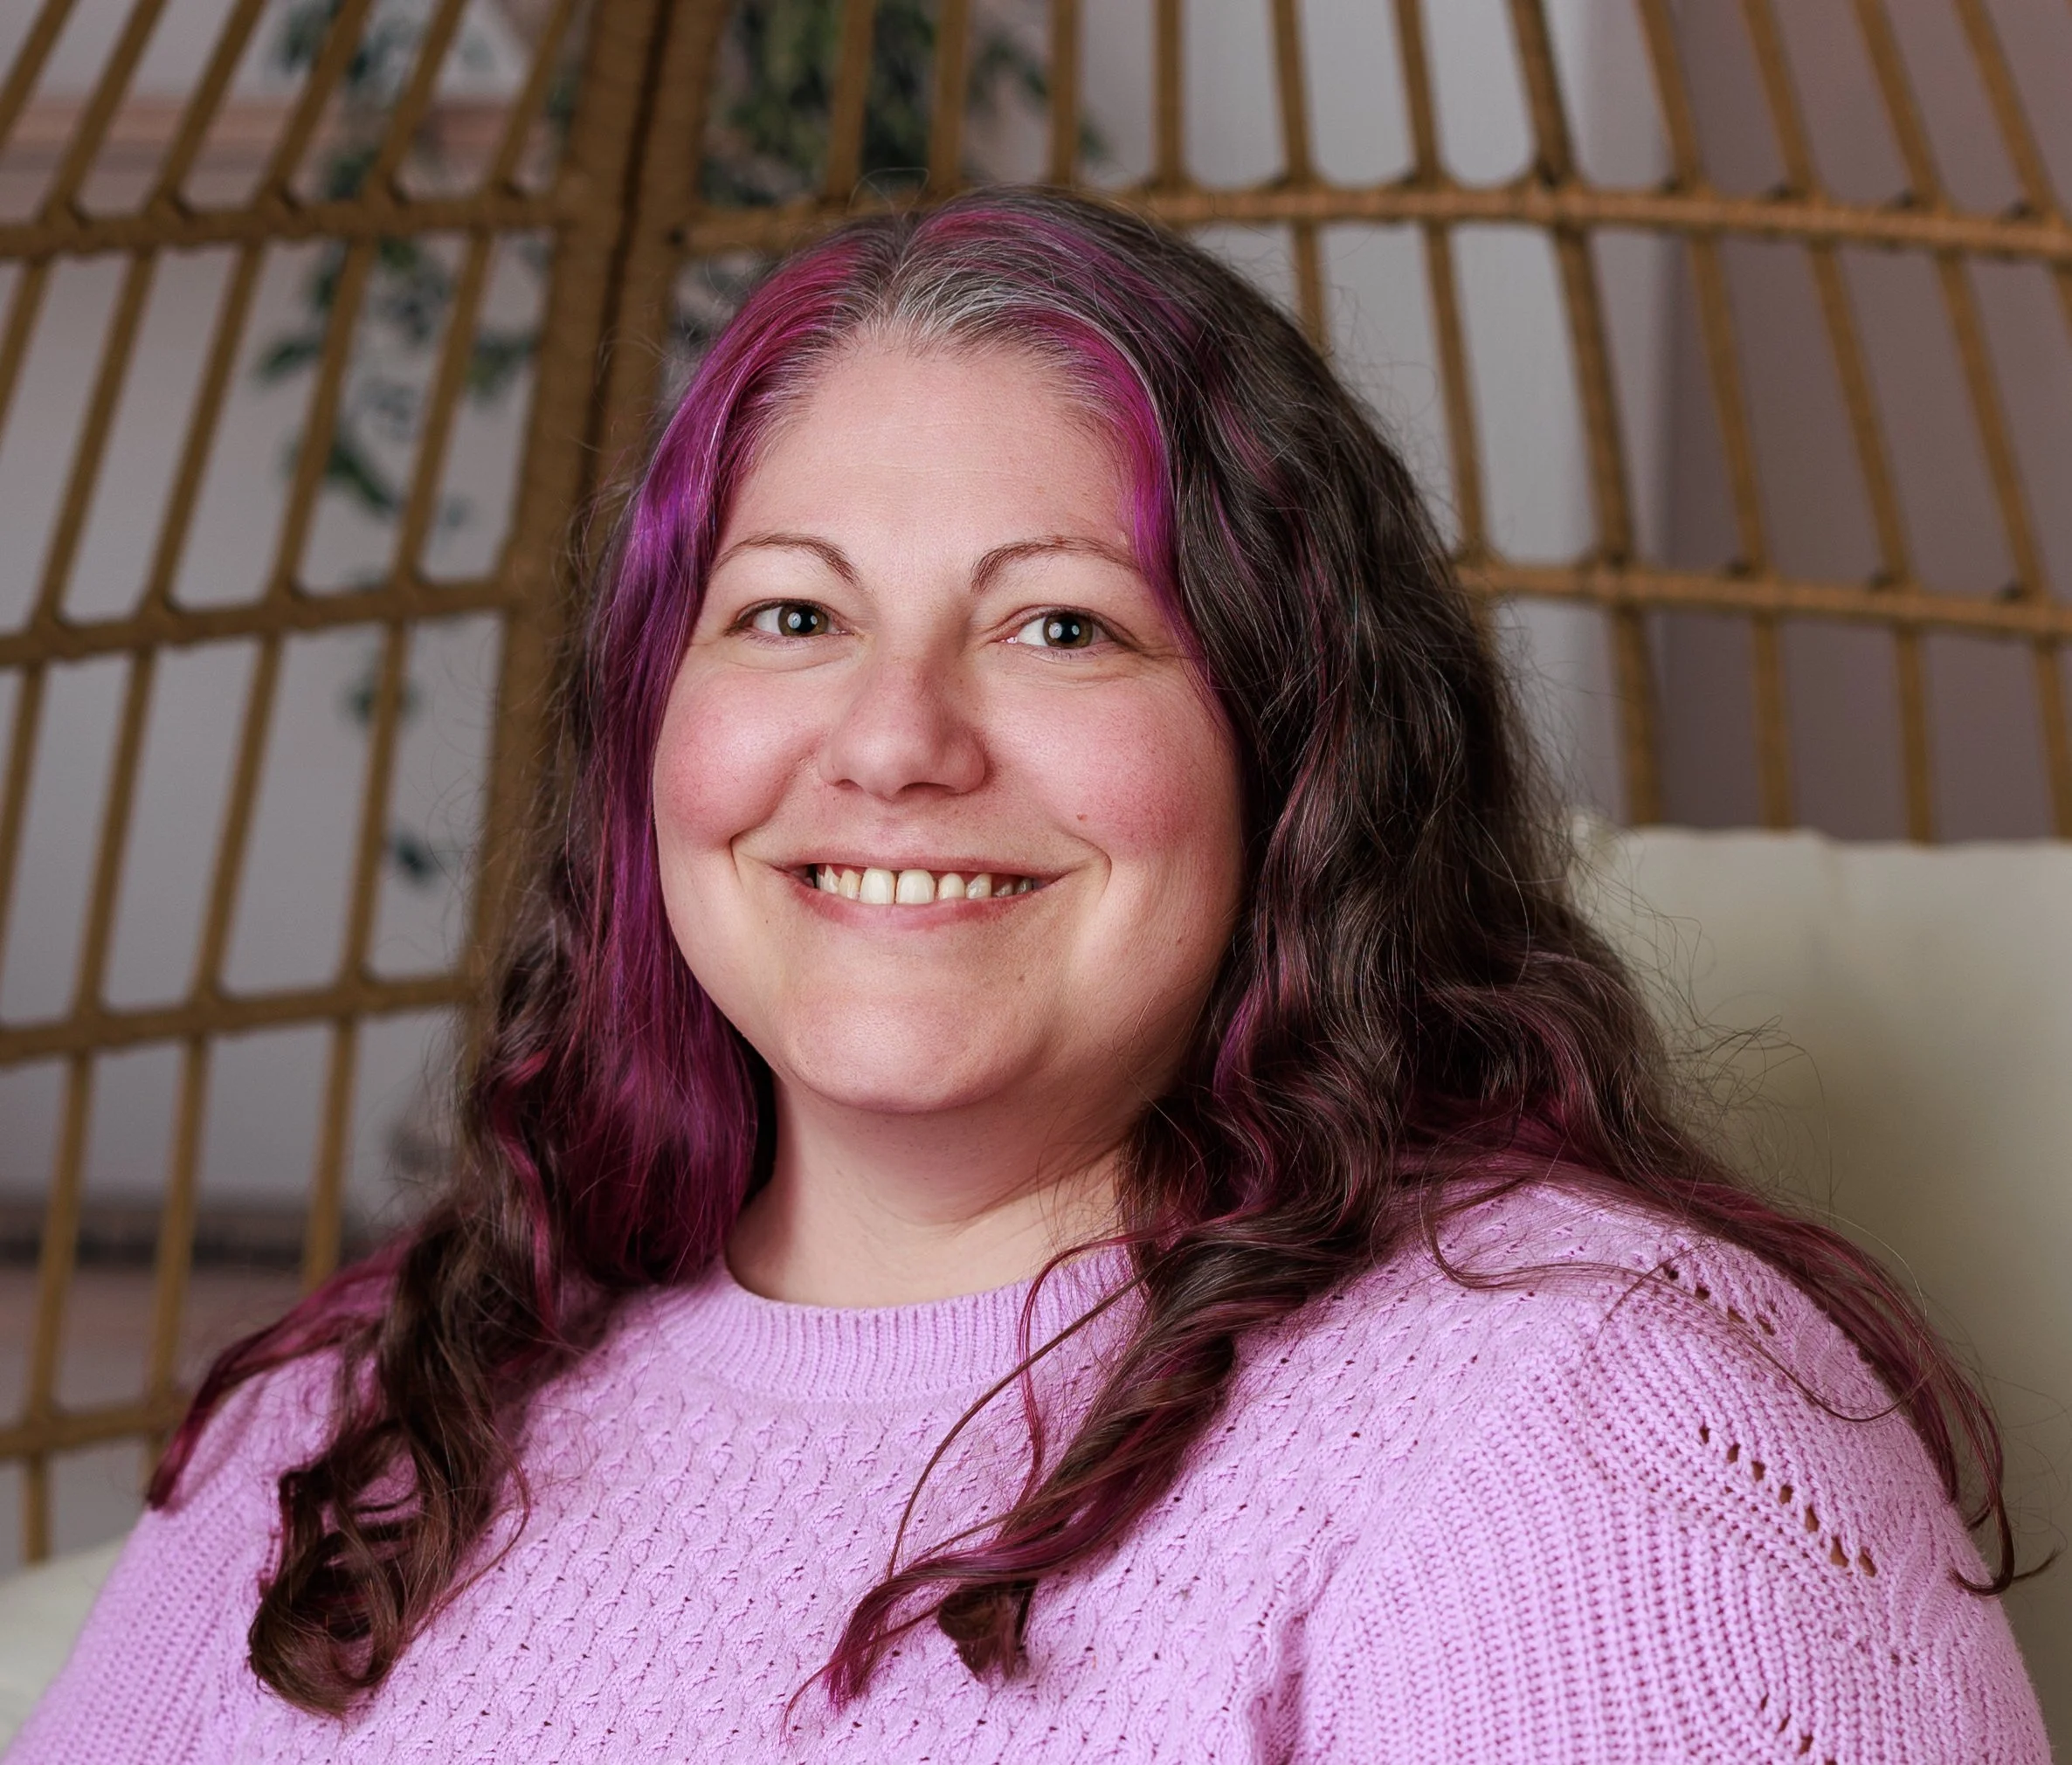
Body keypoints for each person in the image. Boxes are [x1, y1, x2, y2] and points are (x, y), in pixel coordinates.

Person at [10, 188, 2048, 1763]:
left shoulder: (1592, 1421)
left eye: (1061, 626)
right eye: (791, 614)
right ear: (649, 737)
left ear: (1293, 748)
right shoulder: (365, 1417)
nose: (895, 737)